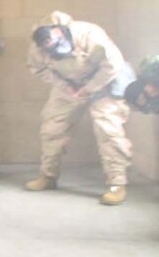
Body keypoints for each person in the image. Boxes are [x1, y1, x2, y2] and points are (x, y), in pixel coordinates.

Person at [26, 11, 134, 205]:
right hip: (69, 84)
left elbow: (112, 65)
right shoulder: (38, 48)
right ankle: (48, 176)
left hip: (104, 81)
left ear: (60, 31)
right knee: (52, 128)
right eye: (45, 46)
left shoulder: (90, 35)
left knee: (108, 129)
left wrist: (89, 89)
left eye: (52, 43)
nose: (49, 48)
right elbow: (38, 68)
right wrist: (64, 85)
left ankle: (116, 184)